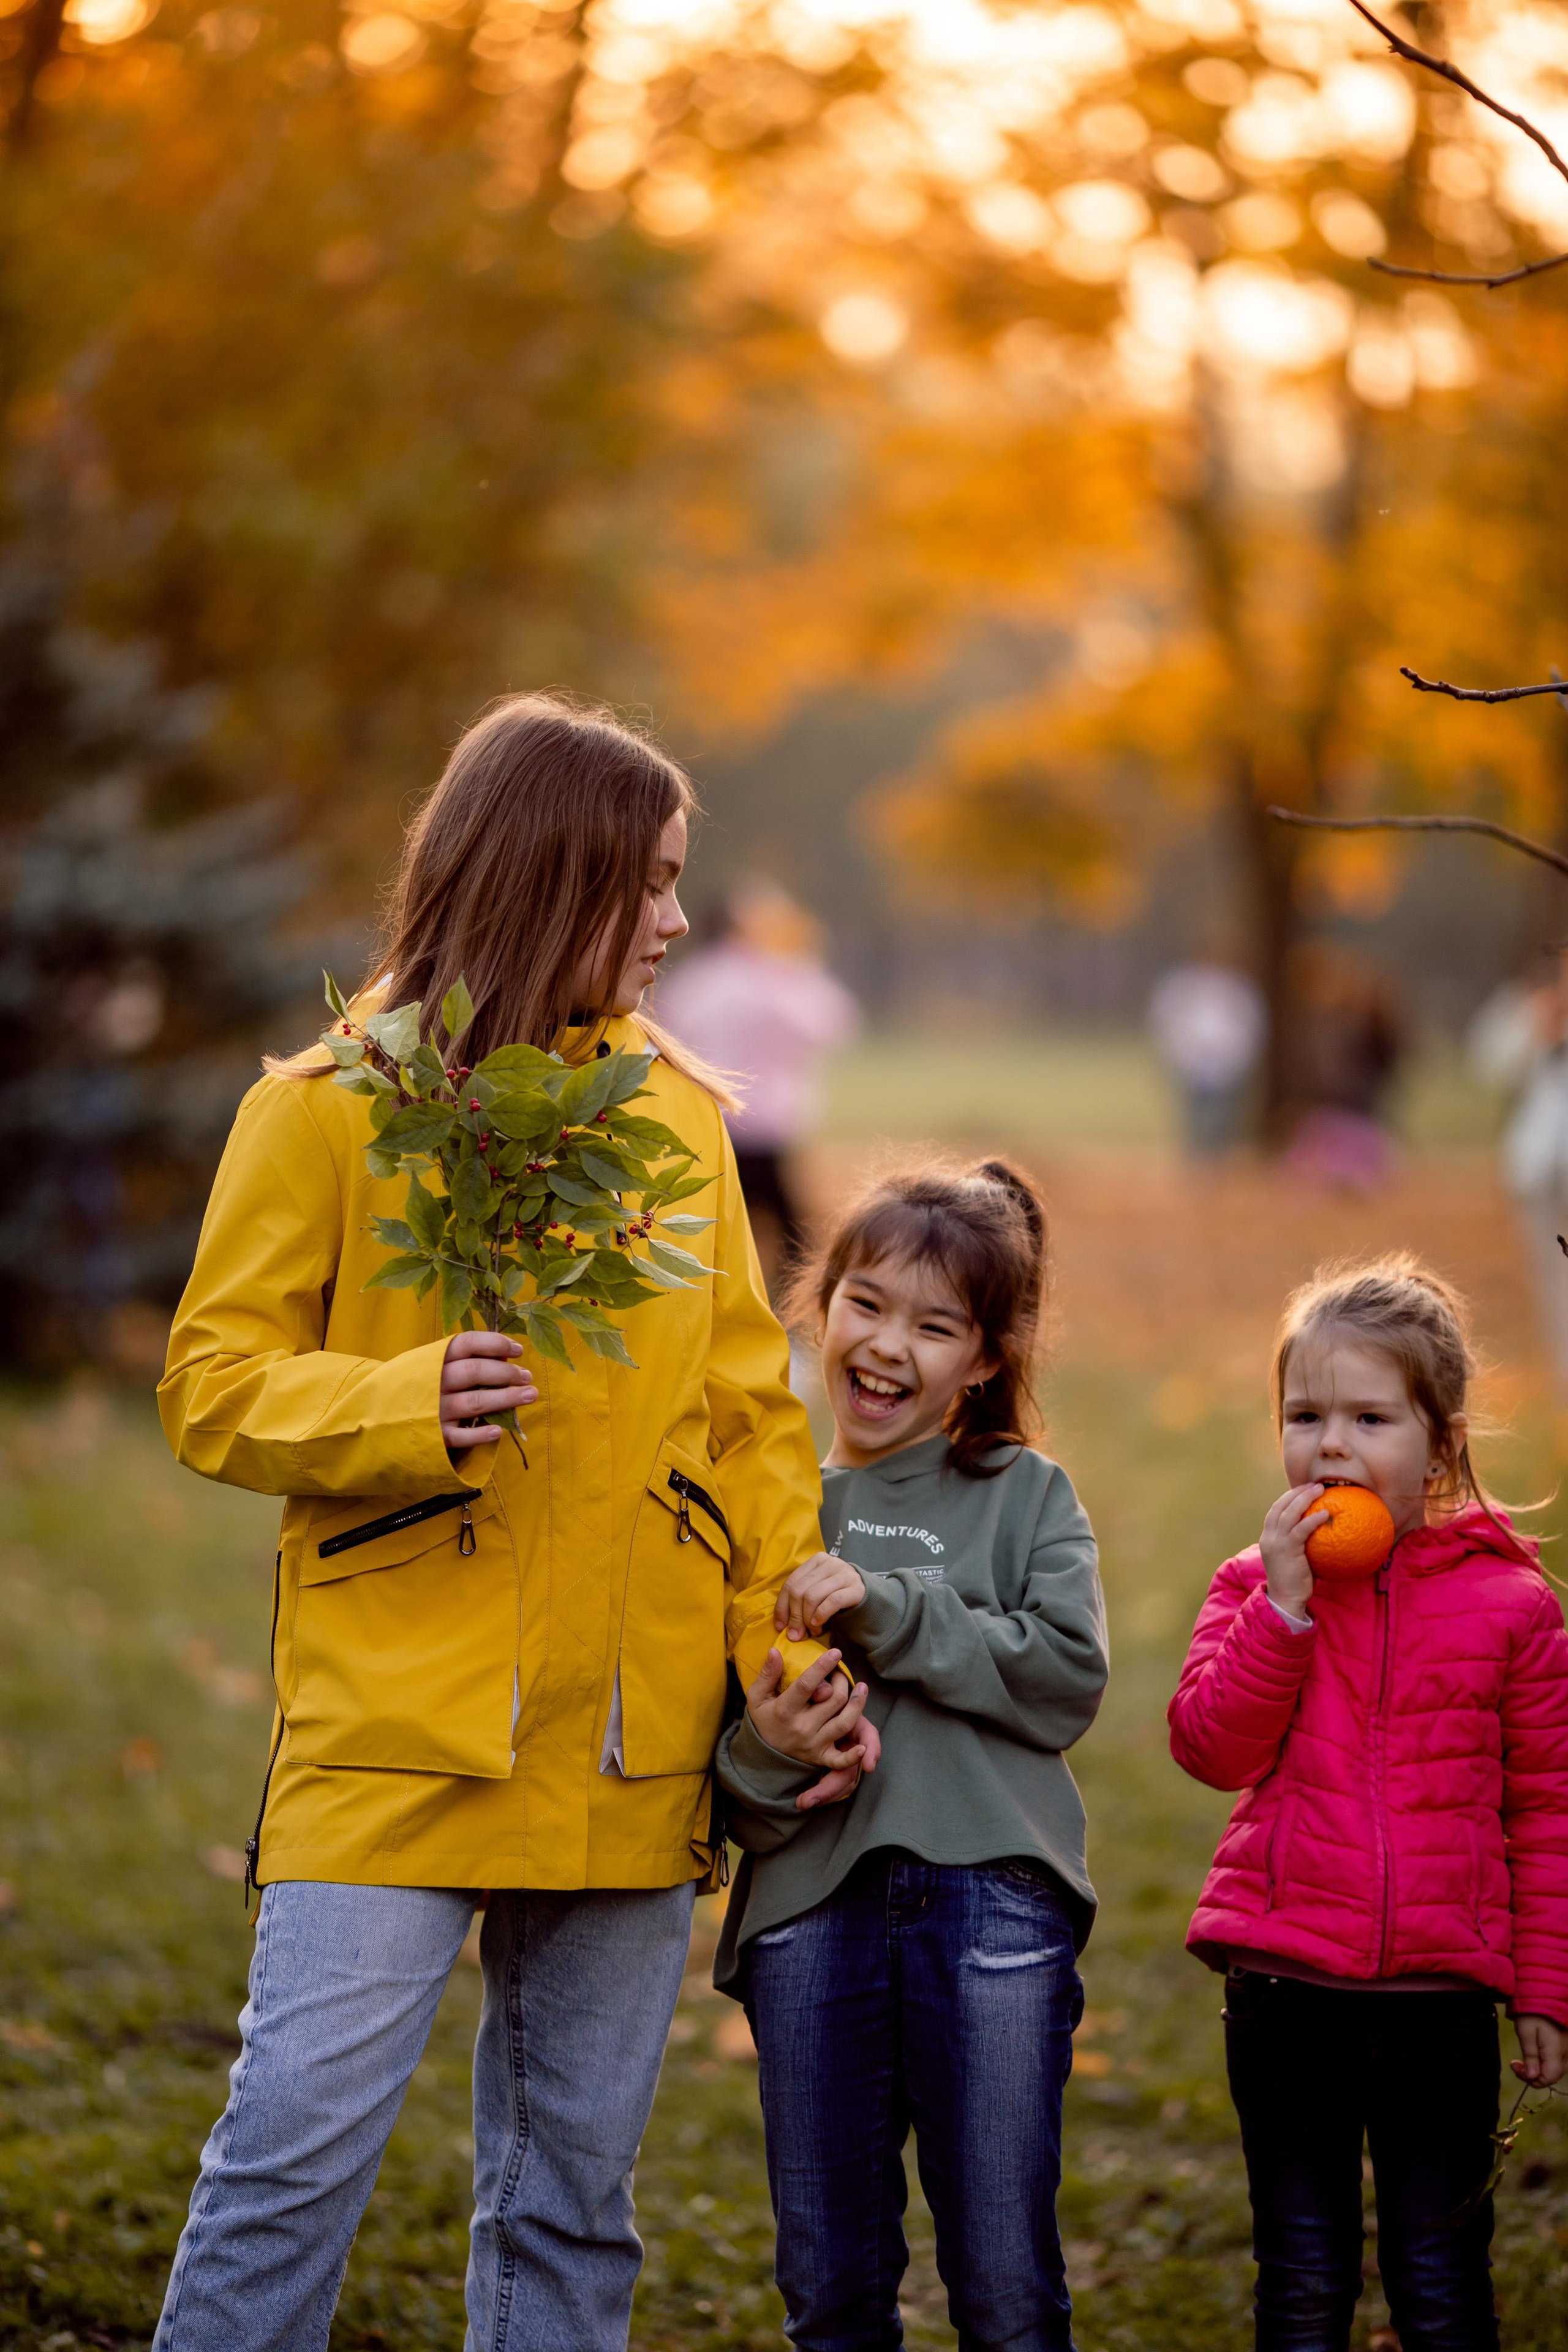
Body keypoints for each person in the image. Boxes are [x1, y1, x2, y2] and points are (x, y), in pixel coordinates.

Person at [151, 693, 876, 2352]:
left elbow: (745, 1419)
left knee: (570, 2207)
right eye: (651, 882)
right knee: (285, 2167)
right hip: (393, 1731)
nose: (677, 920)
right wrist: (399, 1401)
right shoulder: (326, 1105)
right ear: (550, 876)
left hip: (628, 1739)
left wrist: (779, 1643)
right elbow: (211, 1382)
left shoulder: (678, 1118)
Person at [712, 1158, 1109, 2352]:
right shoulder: (768, 1507)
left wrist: (885, 1604)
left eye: (935, 1327)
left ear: (983, 1358)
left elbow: (1064, 1677)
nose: (889, 1345)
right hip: (805, 1916)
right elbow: (728, 1786)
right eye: (867, 1304)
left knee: (1003, 2286)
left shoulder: (1025, 1495)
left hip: (995, 1903)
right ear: (819, 1307)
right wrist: (770, 1750)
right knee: (829, 2291)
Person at [1169, 1255, 1568, 2352]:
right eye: (1306, 1416)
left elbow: (1546, 1811)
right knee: (1303, 2274)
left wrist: (1544, 1986)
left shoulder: (1514, 1606)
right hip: (1285, 1988)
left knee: (1441, 2278)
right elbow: (1209, 1748)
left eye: (1369, 1418)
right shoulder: (1256, 1585)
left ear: (1441, 1443)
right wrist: (1283, 1614)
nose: (1331, 1445)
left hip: (1442, 2002)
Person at [656, 878, 859, 1274]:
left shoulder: (693, 980)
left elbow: (668, 1036)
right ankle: (794, 1298)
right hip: (767, 1126)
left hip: (709, 1120)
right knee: (790, 1235)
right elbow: (833, 1027)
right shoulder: (777, 978)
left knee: (716, 1227)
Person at [1469, 957, 1568, 1393]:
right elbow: (1489, 1064)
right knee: (1554, 1274)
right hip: (1539, 1165)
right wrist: (1536, 1023)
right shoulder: (1529, 1006)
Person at [1148, 958, 1267, 1157]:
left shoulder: (1236, 987)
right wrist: (1176, 1053)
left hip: (1225, 1060)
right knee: (1194, 1112)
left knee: (1223, 1112)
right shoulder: (1184, 986)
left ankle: (1218, 1154)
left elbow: (1250, 1023)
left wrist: (1238, 1057)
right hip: (1191, 1059)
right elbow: (1166, 1019)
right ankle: (1197, 1152)